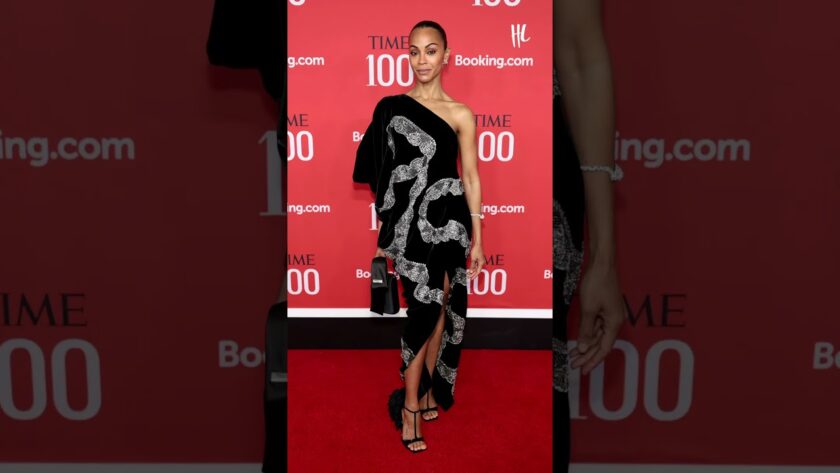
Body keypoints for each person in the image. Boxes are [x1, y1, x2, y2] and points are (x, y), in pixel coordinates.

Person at [353, 20, 485, 453]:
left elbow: (471, 176)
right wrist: (384, 234)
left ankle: (427, 390)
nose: (422, 60)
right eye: (414, 51)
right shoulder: (391, 109)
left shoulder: (461, 113)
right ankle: (410, 405)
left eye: (430, 51)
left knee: (442, 306)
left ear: (446, 56)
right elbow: (383, 177)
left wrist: (479, 237)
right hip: (410, 227)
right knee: (423, 311)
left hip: (451, 224)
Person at [552, 0, 628, 471]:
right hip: (373, 156)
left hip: (529, 175)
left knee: (519, 408)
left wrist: (603, 255)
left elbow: (581, 54)